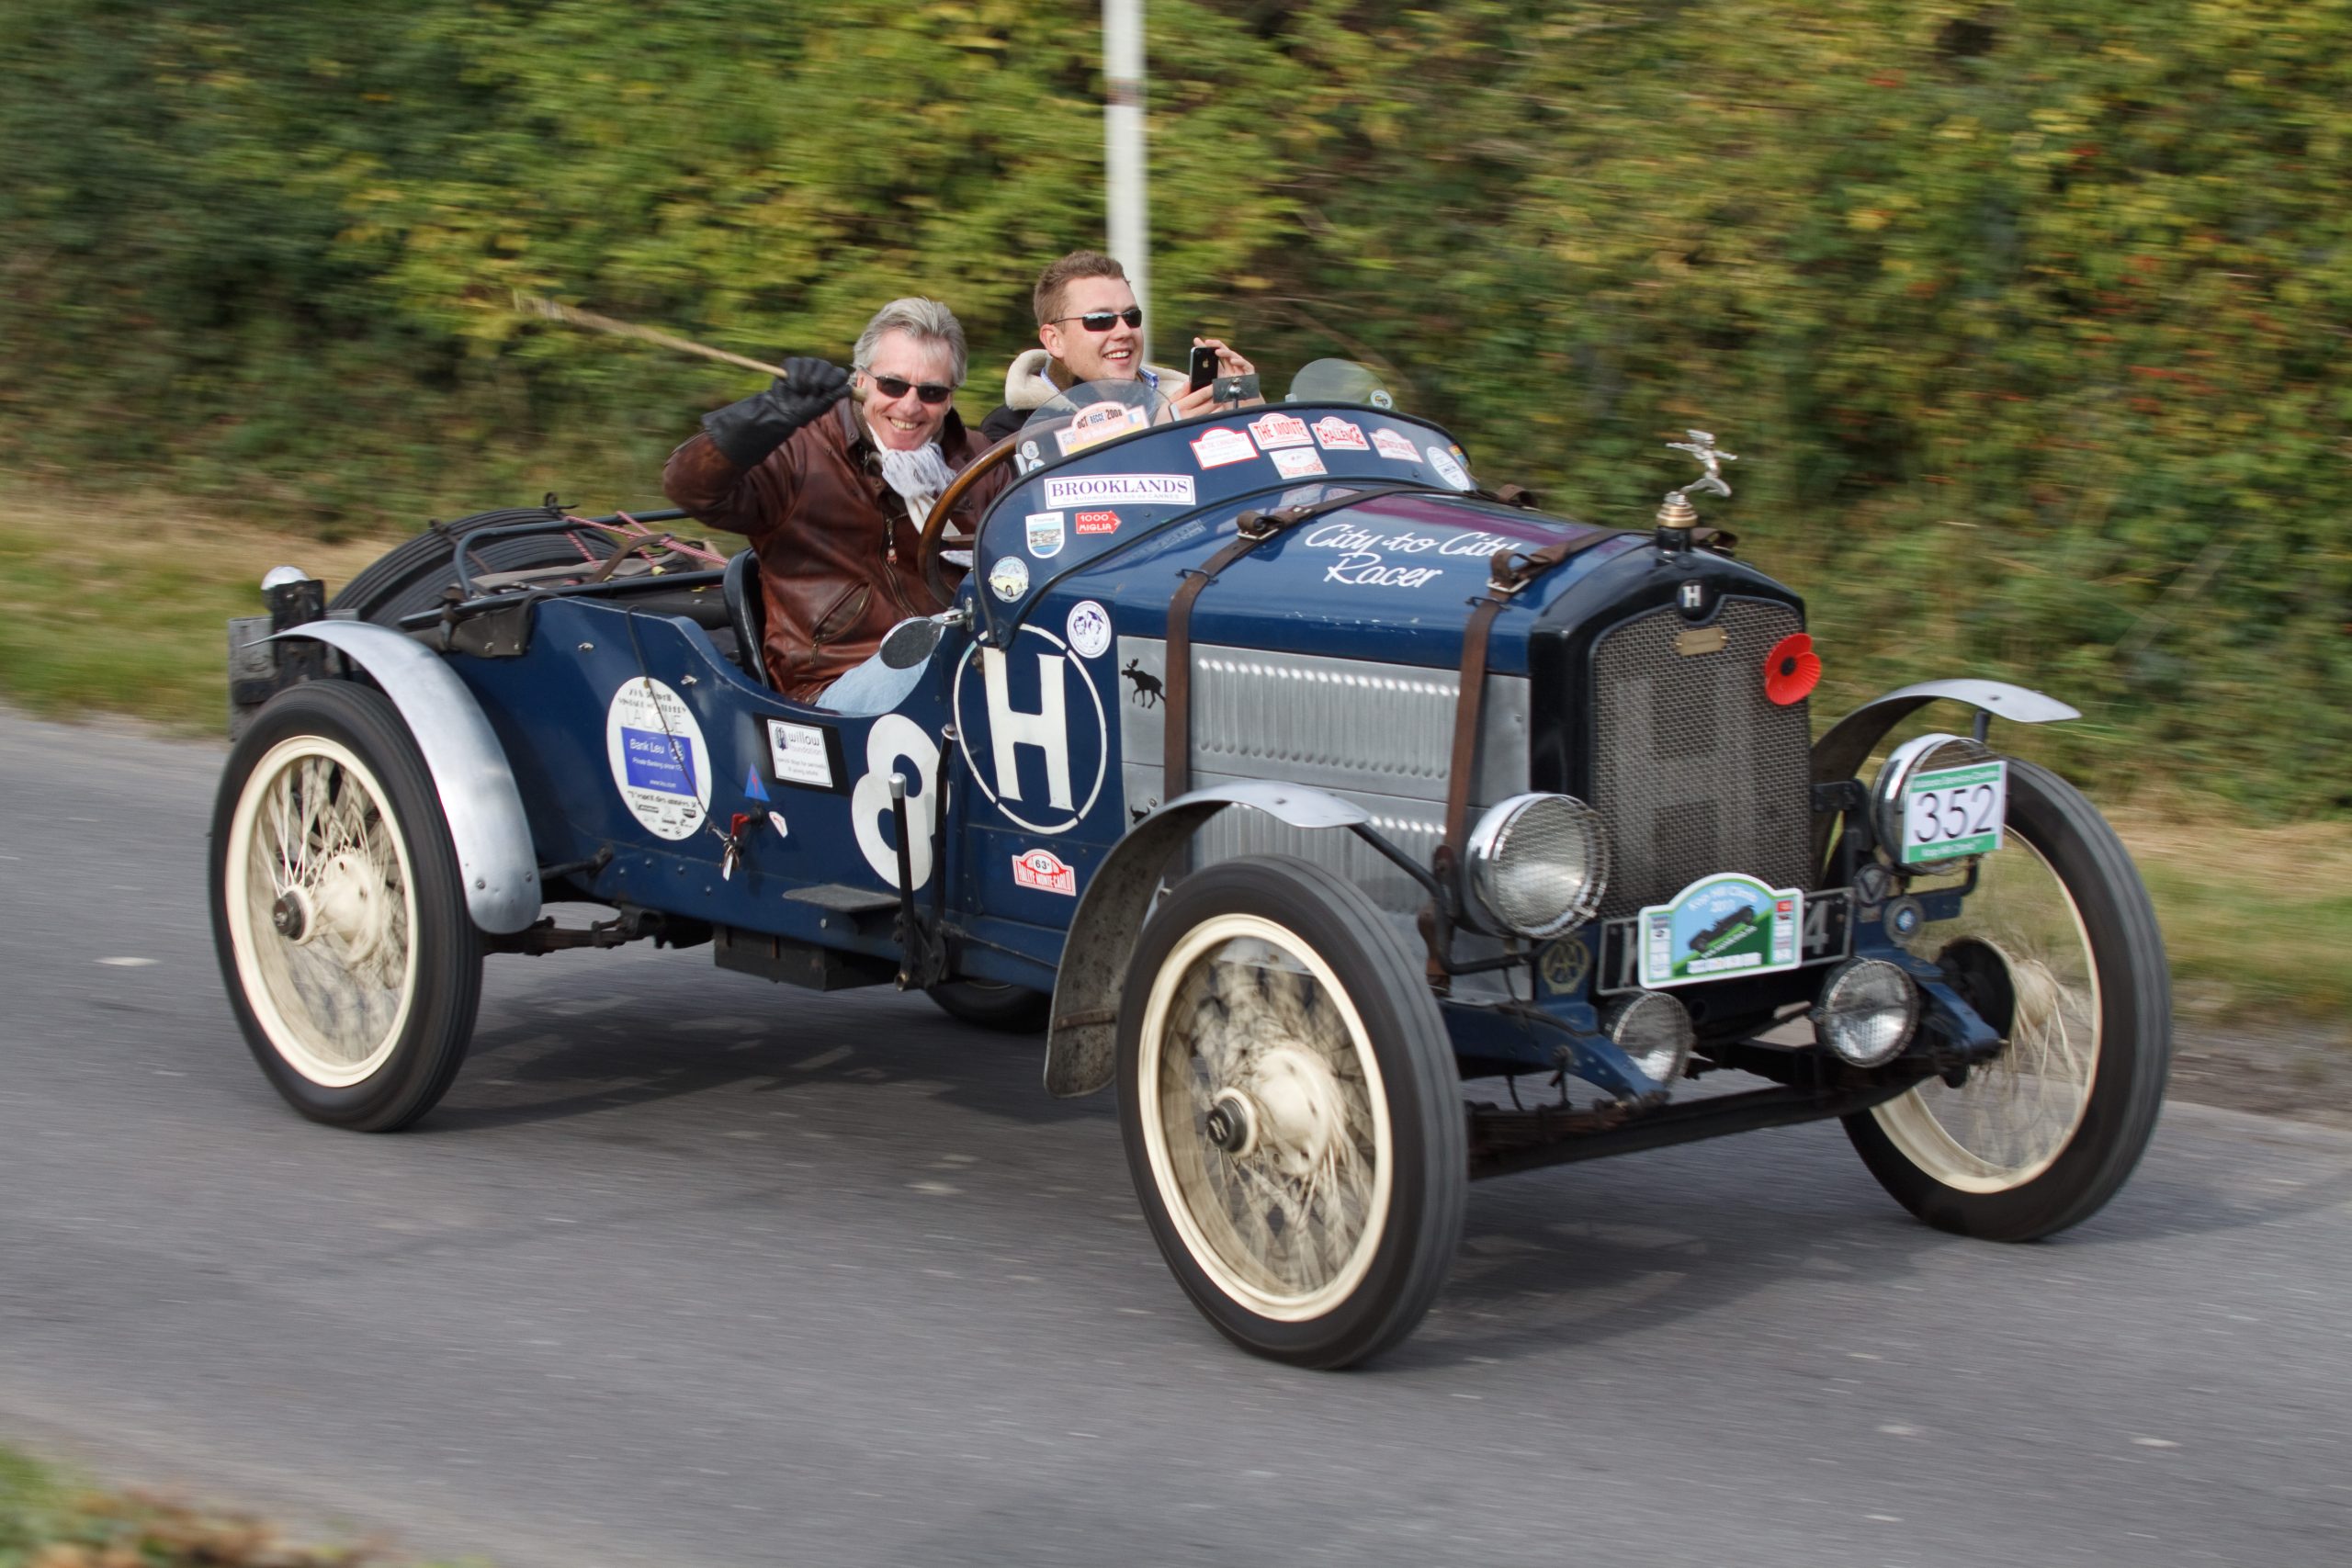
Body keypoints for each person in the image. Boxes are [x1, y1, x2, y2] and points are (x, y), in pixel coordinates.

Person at [663, 297, 1011, 708]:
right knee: (937, 657)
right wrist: (769, 413)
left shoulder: (980, 458)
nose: (910, 406)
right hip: (832, 683)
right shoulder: (797, 451)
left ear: (950, 397)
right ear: (860, 381)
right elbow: (689, 487)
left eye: (931, 392)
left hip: (963, 659)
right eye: (893, 385)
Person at [978, 251, 1256, 443]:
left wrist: (1252, 413)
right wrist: (1155, 436)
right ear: (1054, 340)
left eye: (1132, 316)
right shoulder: (1012, 427)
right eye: (1100, 320)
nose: (1124, 331)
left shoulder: (1187, 400)